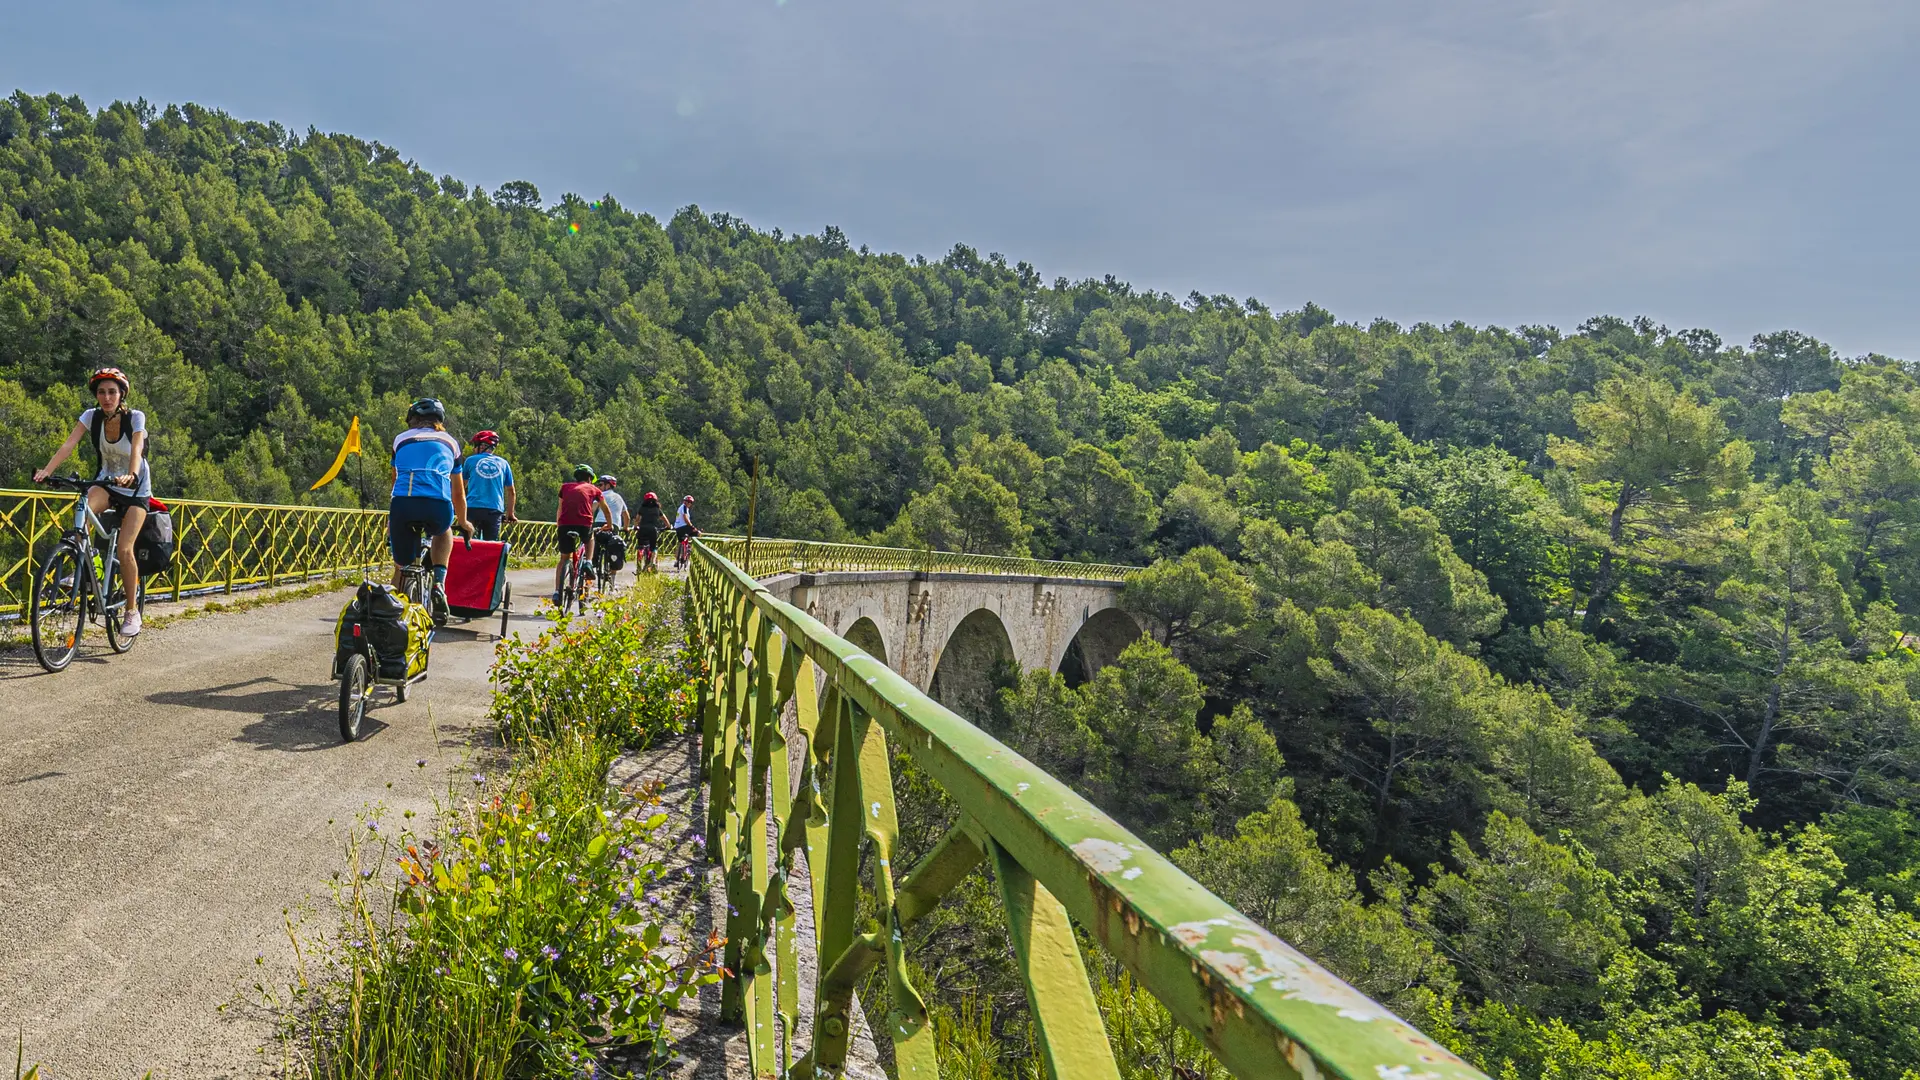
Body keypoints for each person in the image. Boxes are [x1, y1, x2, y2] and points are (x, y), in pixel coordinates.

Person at [33, 367, 153, 636]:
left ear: (121, 394)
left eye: (112, 392)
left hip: (135, 489)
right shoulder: (91, 416)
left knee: (124, 550)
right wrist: (47, 471)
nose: (106, 397)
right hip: (107, 482)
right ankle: (84, 567)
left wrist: (132, 475)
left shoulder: (135, 418)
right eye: (101, 392)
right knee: (82, 516)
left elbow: (136, 448)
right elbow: (68, 445)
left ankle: (131, 611)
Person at [387, 398, 471, 621]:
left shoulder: (400, 440)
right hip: (438, 506)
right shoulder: (451, 443)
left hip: (403, 505)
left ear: (413, 420)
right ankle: (439, 584)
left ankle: (393, 615)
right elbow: (458, 493)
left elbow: (395, 480)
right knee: (443, 530)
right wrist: (464, 522)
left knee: (400, 568)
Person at [554, 464, 611, 605]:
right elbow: (605, 509)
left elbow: (560, 508)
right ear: (590, 479)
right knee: (590, 538)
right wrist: (609, 525)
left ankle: (557, 592)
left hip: (564, 524)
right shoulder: (594, 489)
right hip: (584, 524)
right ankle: (588, 562)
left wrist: (559, 525)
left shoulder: (565, 487)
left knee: (563, 559)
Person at [459, 430, 516, 541]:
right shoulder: (504, 463)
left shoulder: (470, 461)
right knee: (490, 544)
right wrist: (510, 513)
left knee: (466, 541)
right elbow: (511, 491)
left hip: (472, 507)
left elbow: (461, 487)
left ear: (483, 446)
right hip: (494, 509)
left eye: (475, 445)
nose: (474, 449)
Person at [633, 490, 669, 573]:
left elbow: (637, 519)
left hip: (642, 529)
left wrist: (635, 527)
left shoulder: (642, 508)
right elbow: (665, 520)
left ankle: (638, 565)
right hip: (653, 530)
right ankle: (652, 562)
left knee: (640, 546)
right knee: (653, 548)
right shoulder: (657, 509)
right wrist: (668, 527)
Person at [672, 494, 700, 568]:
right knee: (698, 533)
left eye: (690, 502)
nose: (689, 503)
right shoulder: (684, 508)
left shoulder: (680, 508)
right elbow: (685, 518)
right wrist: (692, 526)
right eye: (688, 502)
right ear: (684, 501)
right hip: (684, 527)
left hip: (677, 527)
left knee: (680, 542)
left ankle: (677, 560)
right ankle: (691, 548)